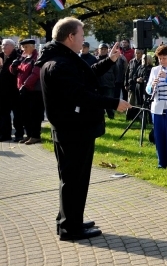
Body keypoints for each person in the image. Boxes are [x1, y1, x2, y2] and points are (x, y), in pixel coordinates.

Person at [36, 17, 130, 240]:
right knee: (74, 180)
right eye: (81, 35)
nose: (83, 39)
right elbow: (80, 94)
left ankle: (70, 220)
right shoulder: (59, 64)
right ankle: (70, 227)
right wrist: (113, 102)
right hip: (73, 130)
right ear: (70, 37)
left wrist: (110, 60)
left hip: (73, 129)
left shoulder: (63, 58)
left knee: (74, 179)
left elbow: (85, 77)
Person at [10, 39, 44, 144]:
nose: (24, 49)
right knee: (25, 114)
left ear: (32, 47)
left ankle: (35, 135)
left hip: (34, 91)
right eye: (23, 47)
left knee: (34, 114)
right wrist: (13, 66)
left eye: (26, 47)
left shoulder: (36, 57)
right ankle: (29, 135)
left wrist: (25, 85)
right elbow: (16, 71)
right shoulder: (23, 57)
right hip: (23, 90)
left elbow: (35, 73)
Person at [0, 38, 23, 142]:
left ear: (12, 46)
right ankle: (5, 134)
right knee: (4, 114)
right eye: (2, 45)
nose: (3, 47)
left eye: (5, 45)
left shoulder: (17, 57)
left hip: (14, 91)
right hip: (4, 92)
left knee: (17, 114)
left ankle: (19, 134)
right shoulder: (4, 57)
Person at [96, 43, 118, 119]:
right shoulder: (95, 60)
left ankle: (111, 115)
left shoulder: (111, 59)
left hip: (109, 84)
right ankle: (100, 115)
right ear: (98, 50)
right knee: (99, 101)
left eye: (105, 49)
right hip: (98, 84)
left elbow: (116, 71)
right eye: (101, 49)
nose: (103, 51)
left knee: (109, 100)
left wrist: (113, 80)